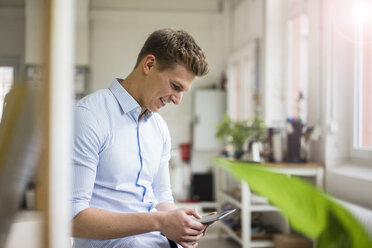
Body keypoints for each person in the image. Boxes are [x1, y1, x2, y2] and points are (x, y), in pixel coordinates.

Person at [71, 28, 210, 248]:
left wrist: (180, 227)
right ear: (149, 64)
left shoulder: (159, 129)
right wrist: (159, 221)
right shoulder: (89, 117)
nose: (177, 100)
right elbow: (73, 219)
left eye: (183, 91)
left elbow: (162, 197)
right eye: (175, 86)